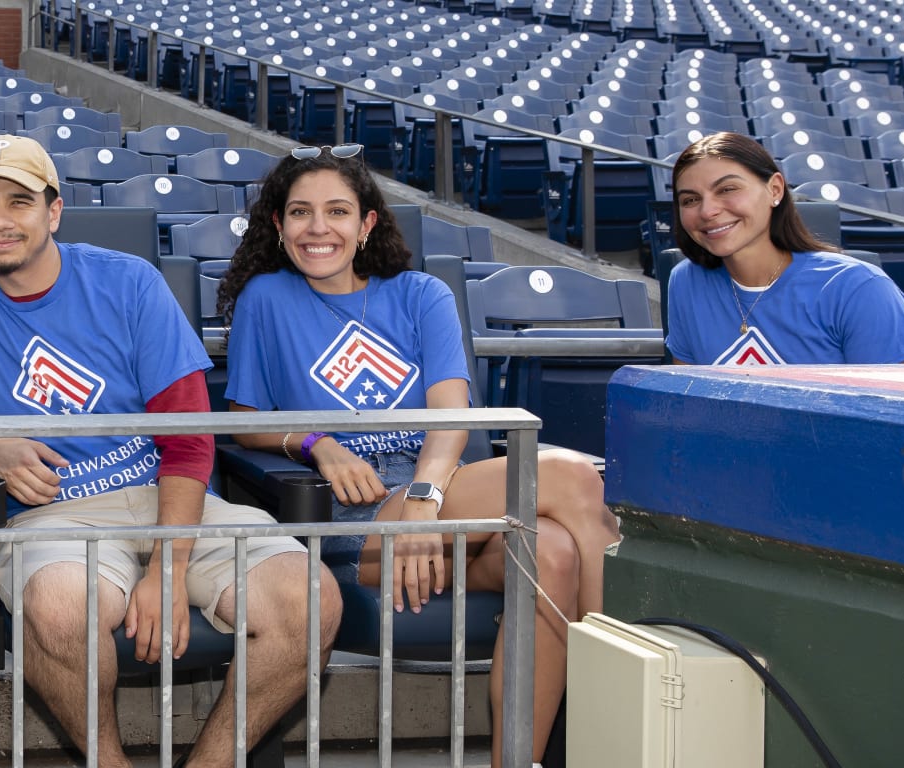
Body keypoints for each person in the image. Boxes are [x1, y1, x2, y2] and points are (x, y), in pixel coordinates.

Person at [0, 135, 341, 768]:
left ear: (53, 211)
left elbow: (189, 437)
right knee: (58, 612)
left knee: (310, 601)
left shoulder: (129, 284)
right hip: (55, 515)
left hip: (168, 495)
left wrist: (167, 568)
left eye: (19, 201)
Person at [216, 144, 620, 768]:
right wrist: (319, 444)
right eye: (299, 212)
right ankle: (624, 697)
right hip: (355, 511)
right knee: (567, 476)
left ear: (366, 223)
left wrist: (426, 502)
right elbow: (245, 425)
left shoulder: (420, 294)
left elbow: (450, 414)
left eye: (337, 211)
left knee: (555, 552)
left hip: (436, 493)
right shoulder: (266, 300)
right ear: (278, 224)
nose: (317, 227)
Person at [667, 131, 904, 364]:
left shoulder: (858, 287)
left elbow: (898, 411)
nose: (708, 211)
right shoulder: (686, 281)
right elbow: (688, 399)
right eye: (690, 199)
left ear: (775, 190)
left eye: (727, 189)